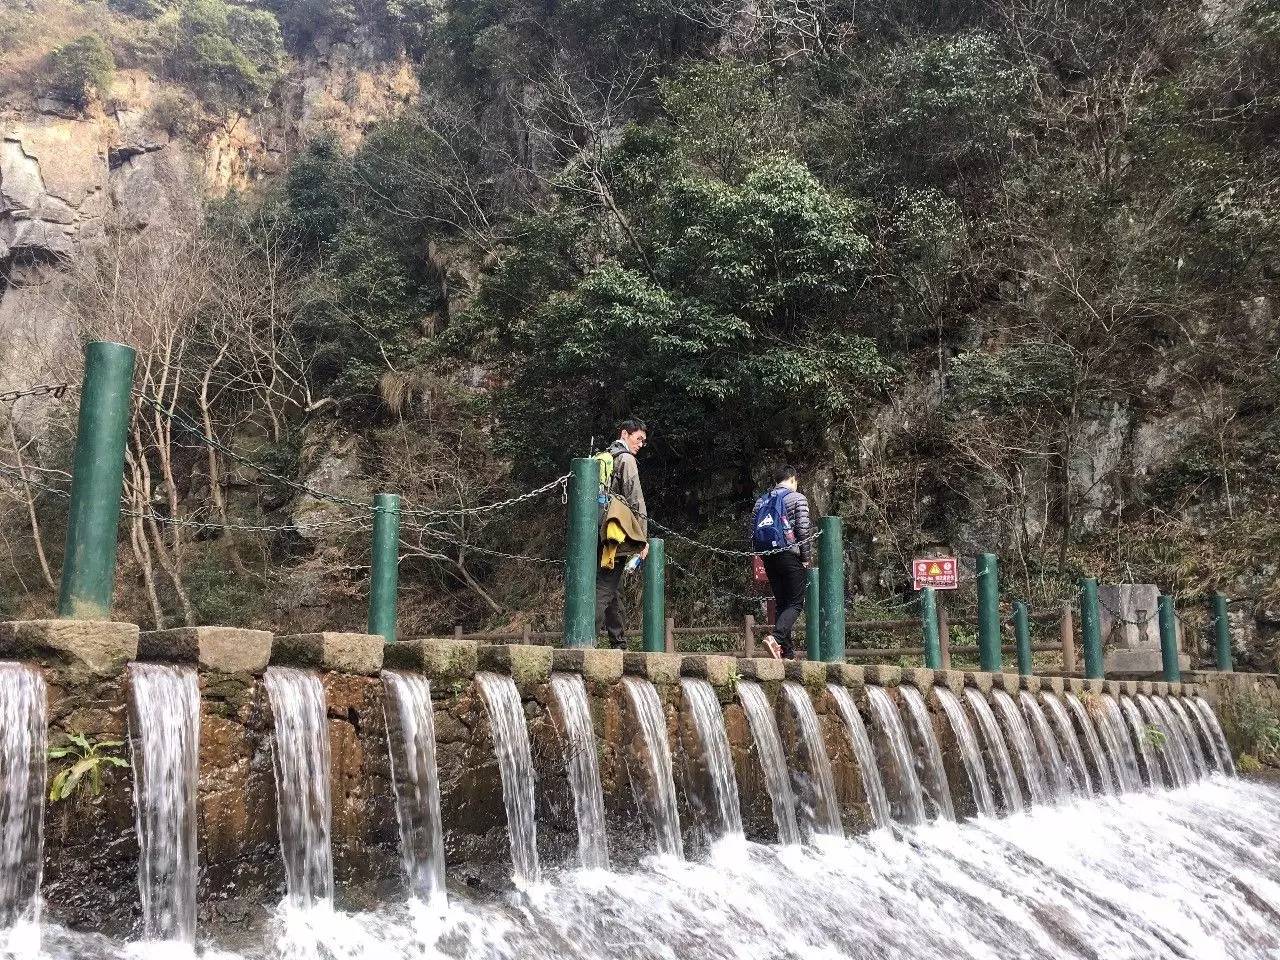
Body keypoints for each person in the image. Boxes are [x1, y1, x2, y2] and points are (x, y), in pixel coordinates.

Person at [596, 419, 649, 647]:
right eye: (639, 439)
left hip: (598, 531)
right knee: (605, 588)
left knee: (613, 591)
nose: (641, 444)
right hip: (615, 536)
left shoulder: (606, 457)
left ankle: (618, 643)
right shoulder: (626, 459)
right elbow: (636, 500)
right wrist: (642, 540)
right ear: (625, 434)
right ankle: (584, 640)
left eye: (644, 441)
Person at [750, 465, 812, 659]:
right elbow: (803, 529)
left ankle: (787, 652)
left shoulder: (761, 501)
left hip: (767, 555)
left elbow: (752, 531)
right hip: (789, 554)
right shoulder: (797, 498)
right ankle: (775, 638)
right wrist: (805, 558)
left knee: (782, 603)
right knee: (795, 603)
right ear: (792, 479)